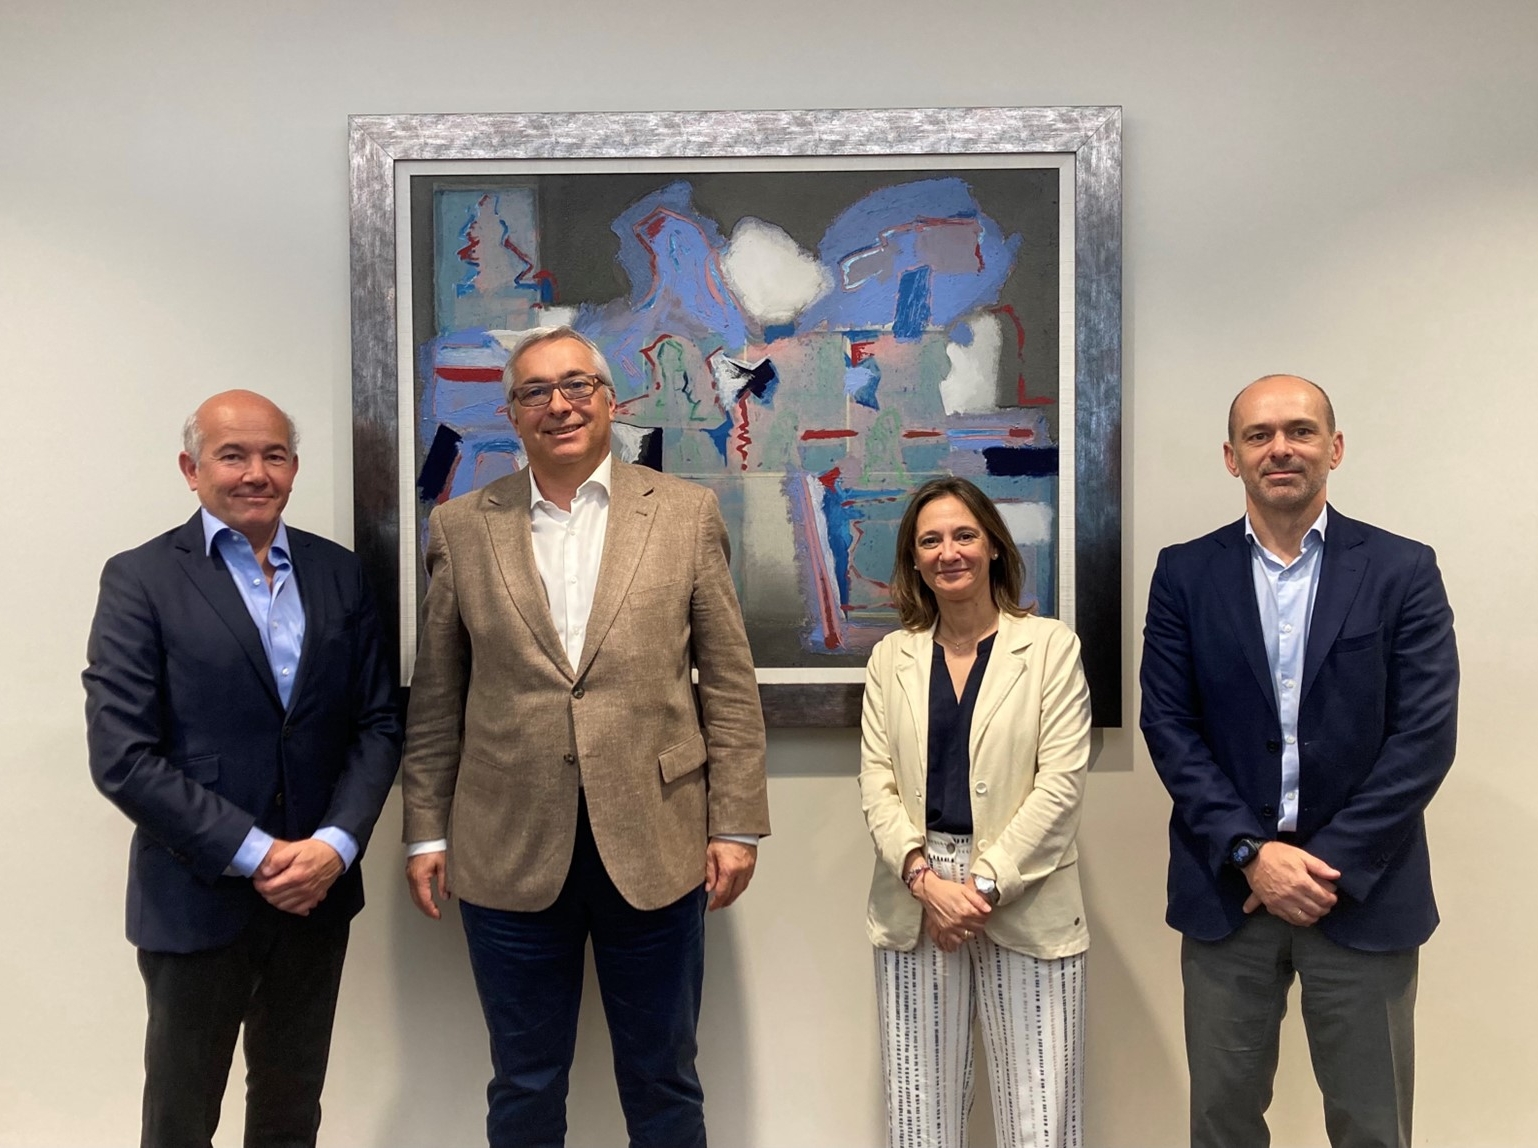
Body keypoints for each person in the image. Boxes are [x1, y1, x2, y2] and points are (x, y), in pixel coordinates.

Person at [400, 325, 770, 1148]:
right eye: (535, 391)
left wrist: (736, 823)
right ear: (512, 414)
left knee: (663, 1081)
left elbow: (729, 682)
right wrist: (425, 829)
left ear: (609, 400)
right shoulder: (461, 527)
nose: (559, 405)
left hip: (658, 841)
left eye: (576, 385)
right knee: (524, 1084)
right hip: (506, 845)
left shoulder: (684, 514)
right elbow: (437, 698)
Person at [1140, 374, 1459, 1148]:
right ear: (1232, 457)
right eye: (1259, 435)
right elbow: (1170, 727)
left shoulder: (1402, 569)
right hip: (1229, 892)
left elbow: (1423, 737)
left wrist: (1324, 864)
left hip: (1362, 892)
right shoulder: (1185, 574)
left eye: (1300, 431)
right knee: (1222, 1122)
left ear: (1334, 448)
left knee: (1372, 1126)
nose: (1280, 448)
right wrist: (1251, 854)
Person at [83, 390, 402, 1148]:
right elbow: (122, 754)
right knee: (181, 1116)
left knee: (292, 1109)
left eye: (273, 455)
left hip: (317, 894)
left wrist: (335, 846)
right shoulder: (140, 579)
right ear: (191, 469)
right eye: (233, 455)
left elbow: (378, 722)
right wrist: (257, 854)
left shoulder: (339, 574)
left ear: (293, 468)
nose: (256, 473)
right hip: (196, 894)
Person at [859, 476, 1092, 1148]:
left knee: (1041, 1120)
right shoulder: (890, 658)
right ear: (913, 559)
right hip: (917, 894)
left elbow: (1061, 785)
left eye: (964, 535)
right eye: (930, 540)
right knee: (919, 1119)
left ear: (993, 546)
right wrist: (925, 881)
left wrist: (982, 888)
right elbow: (876, 781)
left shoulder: (1050, 647)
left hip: (1024, 890)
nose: (948, 552)